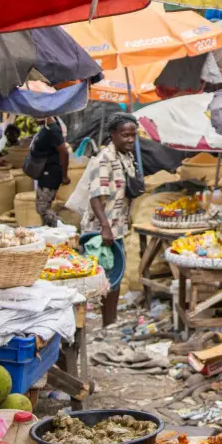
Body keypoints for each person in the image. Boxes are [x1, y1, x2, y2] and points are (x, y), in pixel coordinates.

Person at [82, 113, 142, 325]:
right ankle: (93, 323)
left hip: (118, 226)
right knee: (98, 277)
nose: (130, 140)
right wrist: (105, 228)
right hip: (101, 230)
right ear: (113, 134)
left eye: (134, 136)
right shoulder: (104, 160)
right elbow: (95, 198)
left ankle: (110, 322)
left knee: (115, 276)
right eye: (126, 135)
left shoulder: (126, 157)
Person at [30, 117, 70, 227]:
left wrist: (65, 175)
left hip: (51, 174)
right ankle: (48, 231)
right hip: (45, 173)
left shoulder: (53, 130)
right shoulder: (47, 128)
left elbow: (64, 152)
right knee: (41, 208)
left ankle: (61, 227)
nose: (33, 118)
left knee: (43, 208)